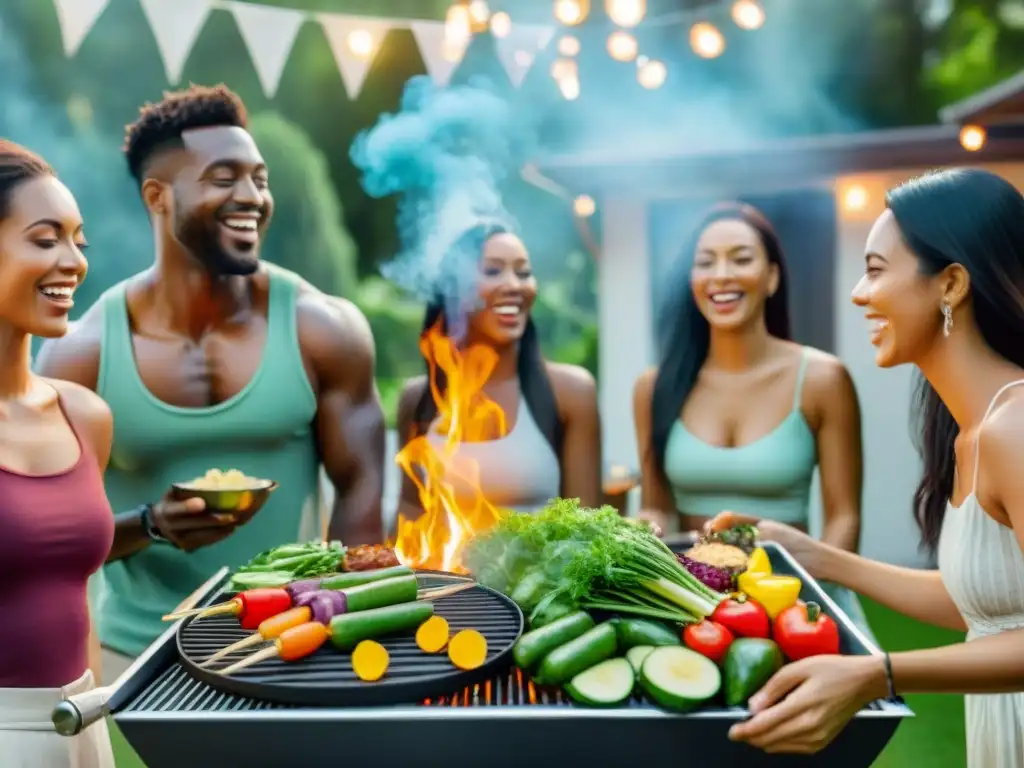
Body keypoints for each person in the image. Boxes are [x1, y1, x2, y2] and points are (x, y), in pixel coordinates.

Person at [34, 85, 385, 681]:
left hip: (289, 650)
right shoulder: (81, 354)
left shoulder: (323, 328)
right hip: (137, 660)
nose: (251, 197)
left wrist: (332, 627)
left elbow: (361, 492)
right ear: (159, 197)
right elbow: (51, 541)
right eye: (224, 178)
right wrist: (151, 524)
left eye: (260, 178)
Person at [714, 168, 1024, 765]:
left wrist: (876, 674)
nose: (859, 293)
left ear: (951, 284)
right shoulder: (971, 434)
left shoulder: (1014, 429)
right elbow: (986, 603)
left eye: (877, 270)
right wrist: (821, 560)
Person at [632, 203, 873, 637]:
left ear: (772, 278)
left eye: (741, 258)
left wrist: (810, 600)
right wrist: (646, 525)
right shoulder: (654, 387)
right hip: (693, 604)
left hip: (795, 599)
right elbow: (657, 505)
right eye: (705, 263)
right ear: (693, 282)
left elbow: (844, 517)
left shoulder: (821, 379)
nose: (721, 274)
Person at [0, 140, 115, 765]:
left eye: (79, 241)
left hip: (82, 724)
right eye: (45, 240)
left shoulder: (85, 416)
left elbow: (81, 602)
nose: (73, 262)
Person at [395, 222, 601, 519]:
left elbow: (588, 527)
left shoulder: (570, 392)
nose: (514, 285)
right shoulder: (418, 399)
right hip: (438, 567)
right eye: (492, 271)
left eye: (523, 272)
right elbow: (410, 510)